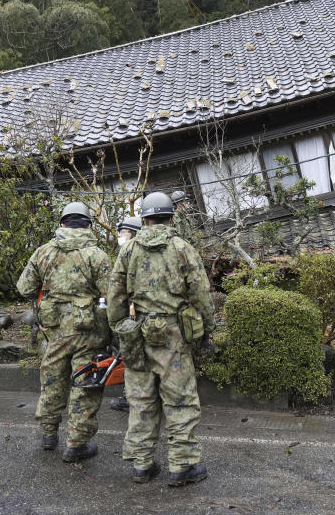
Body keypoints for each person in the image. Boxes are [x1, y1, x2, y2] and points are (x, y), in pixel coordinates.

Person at [107, 191, 215, 486]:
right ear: (171, 217)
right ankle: (182, 466)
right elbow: (201, 294)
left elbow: (115, 295)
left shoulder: (128, 251)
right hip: (174, 335)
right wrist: (207, 328)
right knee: (179, 400)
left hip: (137, 331)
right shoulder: (182, 248)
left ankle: (142, 465)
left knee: (141, 398)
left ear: (144, 218)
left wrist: (120, 328)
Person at [16, 202, 112, 463]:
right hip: (88, 330)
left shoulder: (43, 253)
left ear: (62, 224)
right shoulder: (97, 255)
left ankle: (48, 435)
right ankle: (77, 444)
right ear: (89, 225)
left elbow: (24, 288)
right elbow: (112, 296)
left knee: (52, 380)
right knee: (85, 383)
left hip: (54, 329)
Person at [110, 215, 141, 412]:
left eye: (124, 232)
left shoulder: (130, 255)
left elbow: (117, 291)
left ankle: (132, 399)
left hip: (134, 315)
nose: (120, 236)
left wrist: (116, 323)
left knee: (133, 359)